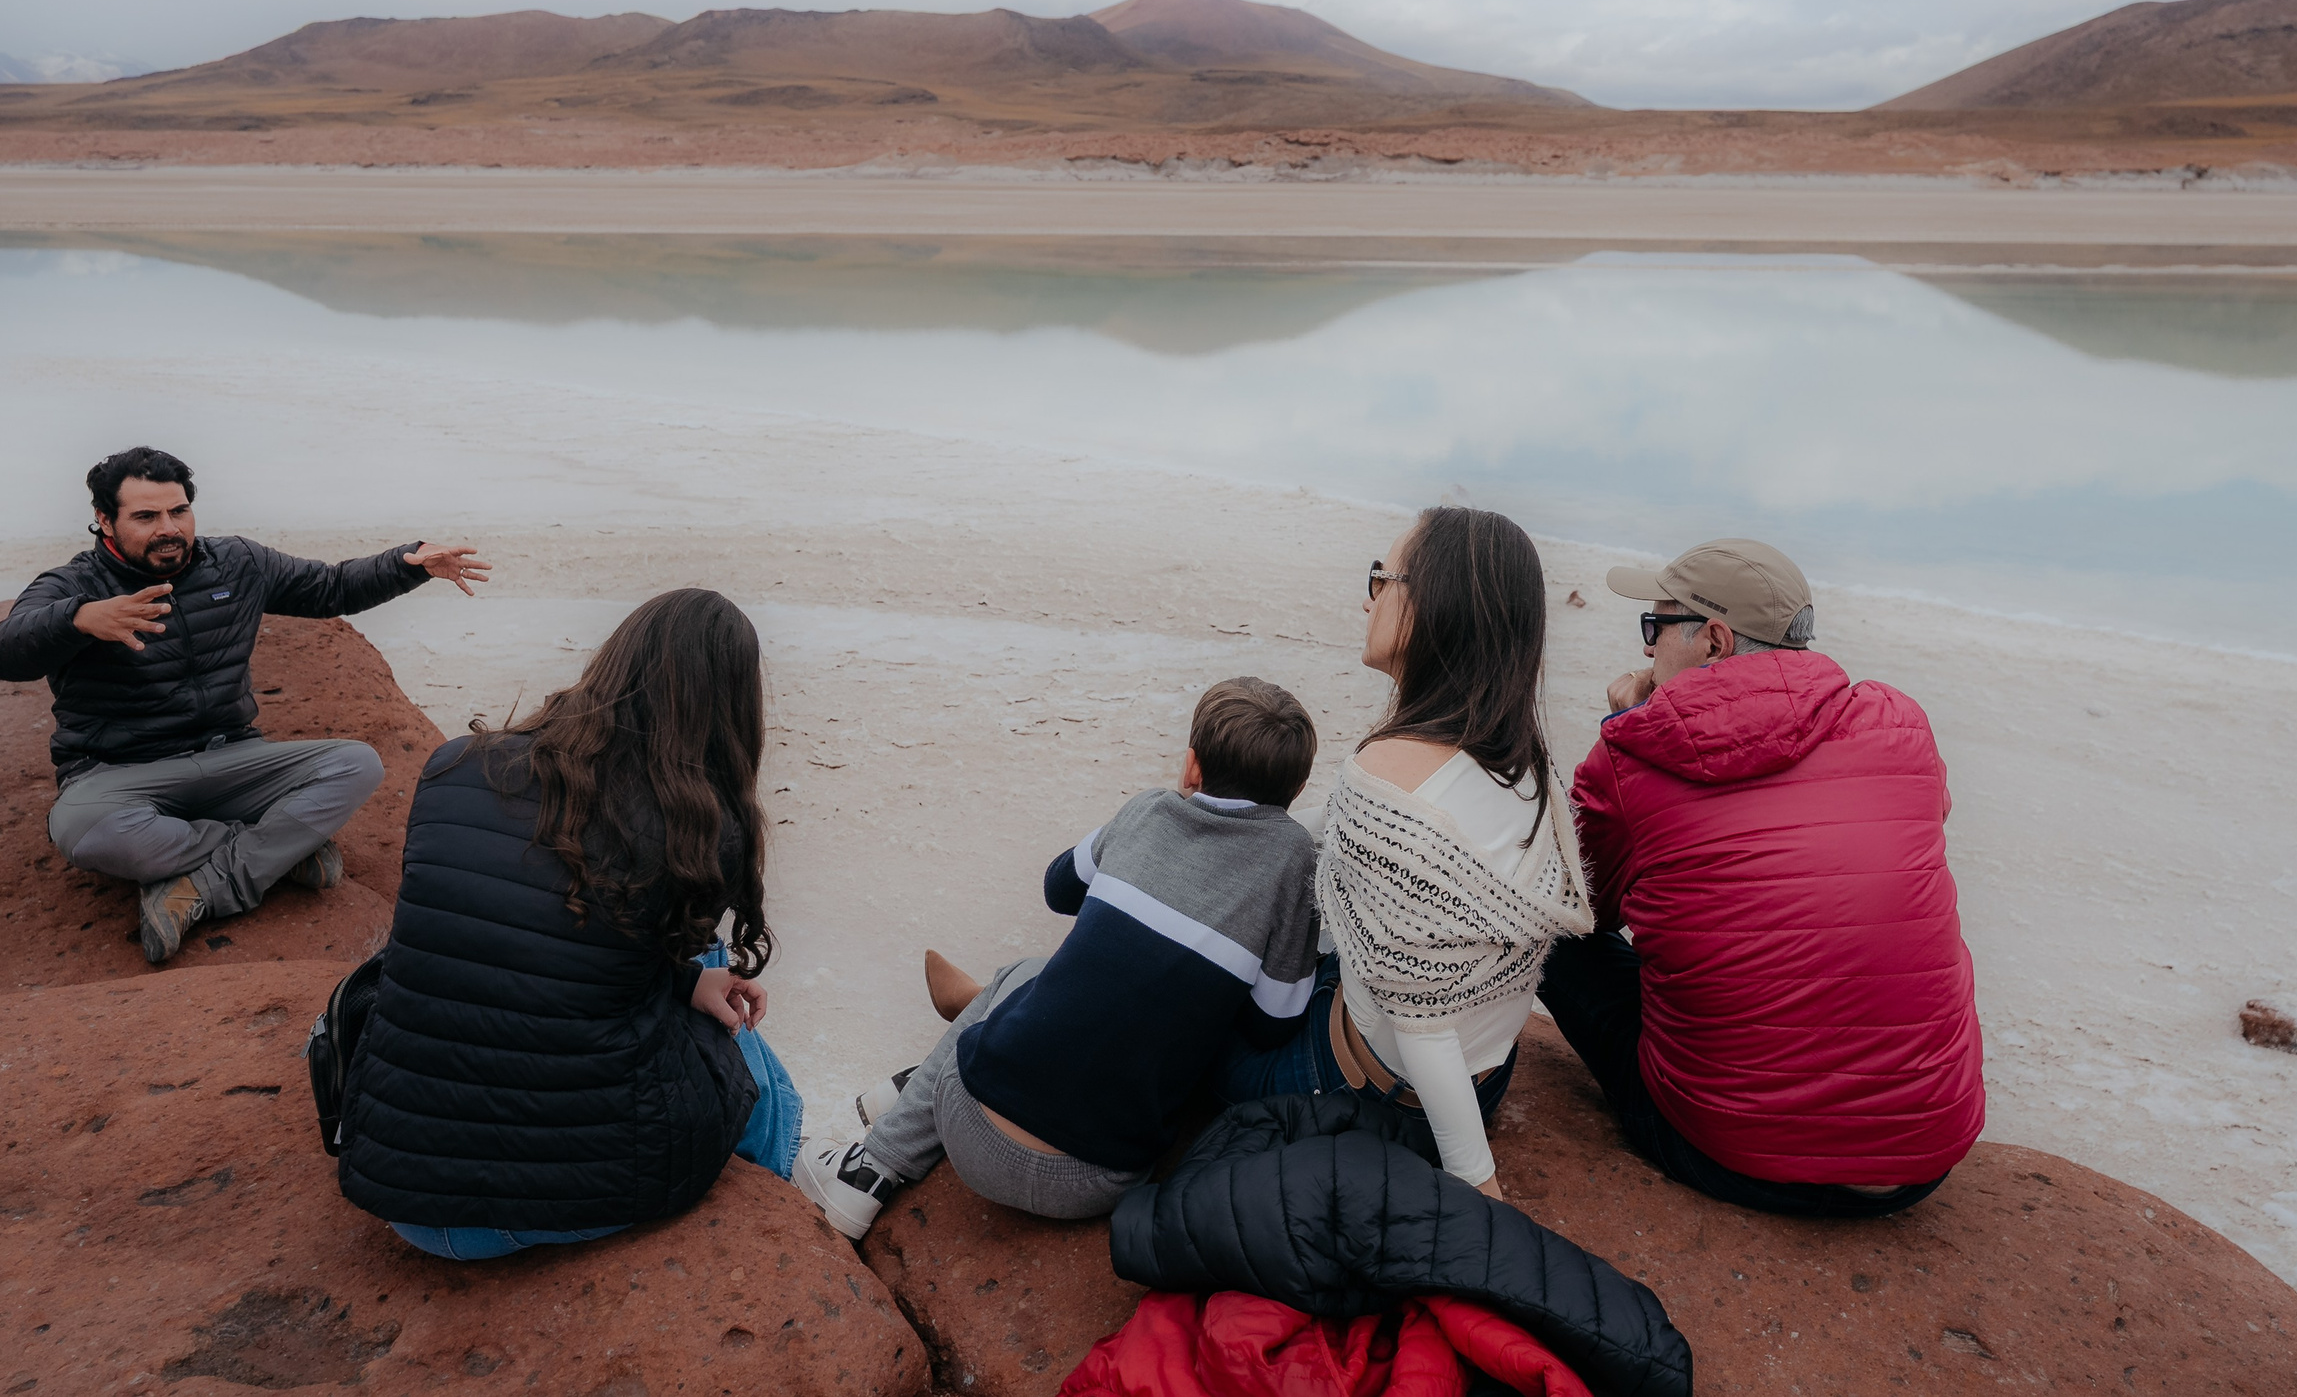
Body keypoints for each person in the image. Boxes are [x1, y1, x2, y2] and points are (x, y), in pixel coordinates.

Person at [336, 588, 805, 1259]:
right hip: (562, 1205)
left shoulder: (455, 764)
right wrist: (690, 978)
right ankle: (783, 1211)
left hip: (403, 1198)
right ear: (732, 703)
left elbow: (508, 930)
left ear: (613, 663)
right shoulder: (698, 830)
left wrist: (682, 981)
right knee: (729, 1005)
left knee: (665, 963)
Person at [1543, 538, 1983, 1217]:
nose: (1645, 649)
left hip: (1730, 1152)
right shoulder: (1901, 721)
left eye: (1653, 627)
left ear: (1714, 641)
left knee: (1548, 931)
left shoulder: (1632, 755)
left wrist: (1628, 725)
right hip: (1920, 1162)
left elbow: (1582, 906)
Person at [793, 677, 1323, 1237]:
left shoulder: (1150, 811)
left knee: (1027, 973)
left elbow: (1058, 888)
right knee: (1155, 1009)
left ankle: (871, 1166)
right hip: (1097, 1181)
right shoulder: (1293, 859)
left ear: (1191, 766)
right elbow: (1275, 1022)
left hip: (968, 1127)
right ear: (1299, 788)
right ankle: (906, 1086)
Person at [1213, 505, 1592, 1201]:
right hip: (1490, 1071)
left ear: (1434, 603)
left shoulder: (1388, 776)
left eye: (1381, 578)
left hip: (1377, 1096)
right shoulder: (1530, 772)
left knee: (1193, 1006)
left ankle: (1027, 1013)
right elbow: (1321, 849)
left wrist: (1478, 1186)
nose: (1368, 597)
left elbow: (1423, 1025)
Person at [0, 446, 490, 963]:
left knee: (356, 763)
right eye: (145, 516)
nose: (168, 528)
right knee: (81, 830)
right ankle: (275, 850)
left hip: (231, 759)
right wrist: (78, 619)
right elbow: (4, 653)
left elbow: (329, 588)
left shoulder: (236, 563)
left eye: (178, 511)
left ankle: (199, 888)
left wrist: (408, 565)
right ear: (104, 521)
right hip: (121, 774)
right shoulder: (74, 586)